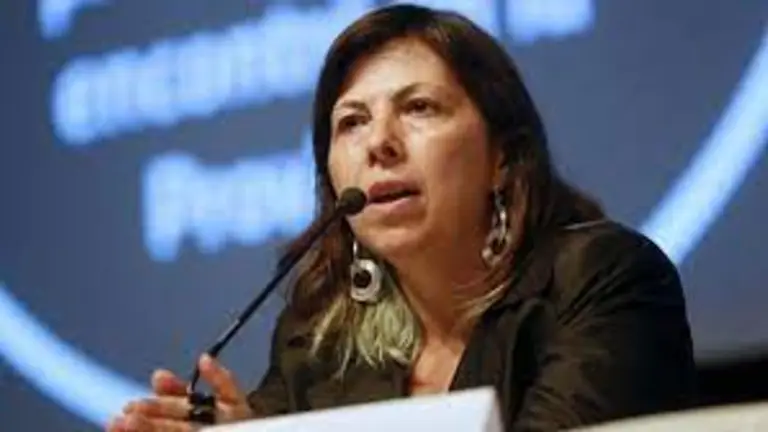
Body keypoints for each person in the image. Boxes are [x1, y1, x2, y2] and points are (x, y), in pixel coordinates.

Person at [108, 4, 696, 431]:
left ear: (501, 158)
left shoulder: (602, 281)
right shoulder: (318, 344)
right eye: (351, 122)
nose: (379, 143)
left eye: (419, 107)